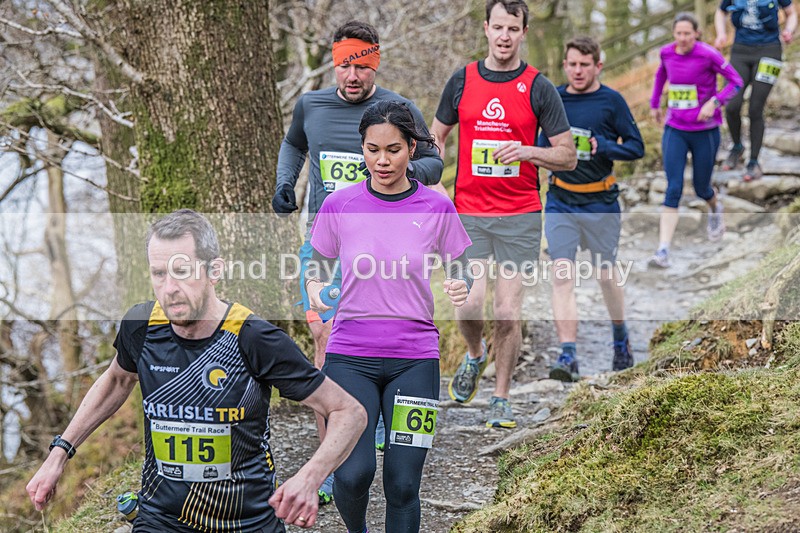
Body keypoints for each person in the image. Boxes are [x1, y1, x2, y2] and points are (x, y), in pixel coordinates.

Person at [26, 209, 366, 532]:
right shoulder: (142, 326)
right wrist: (59, 454)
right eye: (159, 274)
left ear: (214, 271)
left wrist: (310, 477)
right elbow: (117, 379)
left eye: (182, 271)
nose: (169, 287)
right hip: (162, 517)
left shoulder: (253, 338)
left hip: (245, 521)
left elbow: (349, 412)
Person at [272, 20, 442, 498]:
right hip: (327, 241)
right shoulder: (312, 105)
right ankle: (331, 455)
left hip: (382, 241)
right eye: (346, 64)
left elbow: (433, 160)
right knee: (325, 335)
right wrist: (286, 183)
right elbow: (293, 144)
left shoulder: (398, 109)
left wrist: (399, 174)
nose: (353, 75)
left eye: (363, 65)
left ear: (376, 64)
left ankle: (376, 417)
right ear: (334, 61)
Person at [306, 100, 472, 533]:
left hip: (415, 360)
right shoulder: (340, 205)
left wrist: (461, 284)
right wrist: (314, 291)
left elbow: (462, 265)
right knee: (352, 473)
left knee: (402, 484)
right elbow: (316, 263)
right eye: (373, 149)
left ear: (412, 148)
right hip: (349, 357)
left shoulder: (436, 208)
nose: (382, 160)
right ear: (361, 148)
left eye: (393, 149)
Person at [430, 0, 576, 428]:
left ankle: (501, 397)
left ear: (524, 31)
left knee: (507, 312)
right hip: (470, 212)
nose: (505, 36)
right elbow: (434, 136)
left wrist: (529, 150)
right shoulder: (463, 80)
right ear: (486, 29)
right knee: (470, 303)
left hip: (520, 214)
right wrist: (436, 183)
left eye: (513, 28)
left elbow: (567, 156)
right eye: (498, 27)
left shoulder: (538, 87)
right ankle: (475, 355)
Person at [539, 36, 645, 382]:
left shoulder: (611, 101)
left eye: (585, 64)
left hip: (601, 200)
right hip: (561, 200)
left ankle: (620, 336)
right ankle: (568, 354)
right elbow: (541, 147)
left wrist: (605, 148)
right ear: (565, 65)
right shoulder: (554, 98)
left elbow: (636, 147)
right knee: (562, 274)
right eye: (572, 64)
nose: (578, 70)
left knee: (605, 276)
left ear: (598, 66)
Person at [648, 13, 743, 269]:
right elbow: (661, 75)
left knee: (702, 188)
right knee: (673, 188)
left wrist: (715, 102)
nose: (682, 39)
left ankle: (714, 207)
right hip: (675, 129)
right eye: (678, 34)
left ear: (696, 34)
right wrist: (655, 103)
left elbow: (736, 82)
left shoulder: (709, 54)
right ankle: (663, 250)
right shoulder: (667, 53)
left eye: (687, 34)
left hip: (705, 131)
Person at [714, 0, 797, 181]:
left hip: (770, 52)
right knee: (731, 105)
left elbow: (791, 13)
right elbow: (720, 12)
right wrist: (721, 34)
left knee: (755, 108)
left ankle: (753, 161)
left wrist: (789, 31)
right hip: (740, 52)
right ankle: (737, 147)